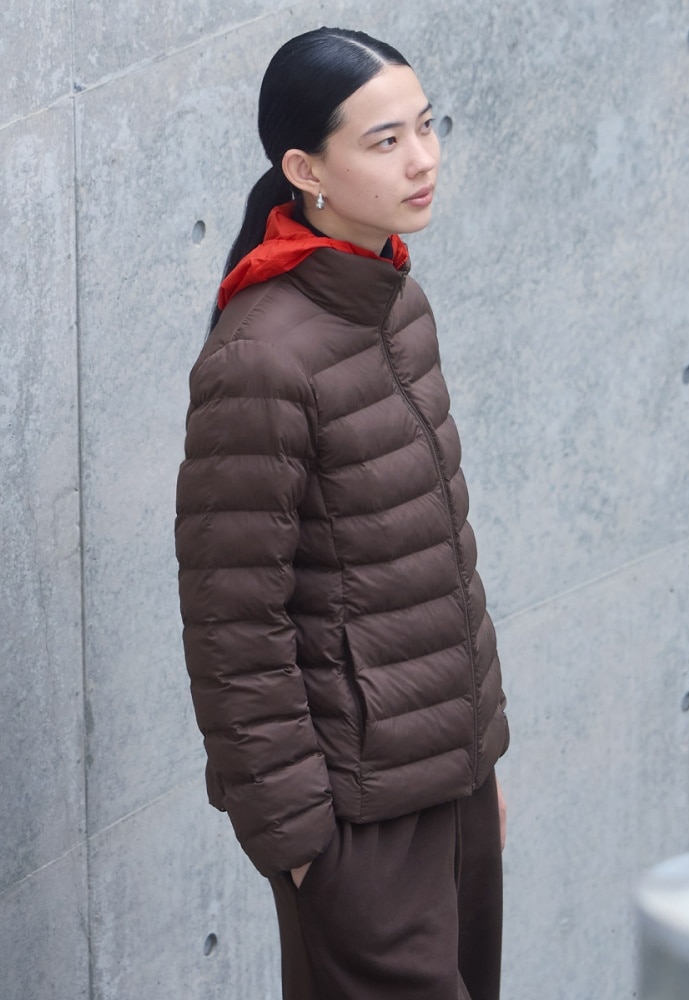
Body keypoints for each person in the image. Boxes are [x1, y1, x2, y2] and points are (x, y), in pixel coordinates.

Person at [175, 26, 509, 1000]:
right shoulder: (261, 358)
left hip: (450, 784)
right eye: (385, 140)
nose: (422, 159)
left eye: (427, 126)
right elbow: (234, 627)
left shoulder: (396, 300)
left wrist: (477, 762)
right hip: (357, 828)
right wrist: (304, 848)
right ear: (304, 170)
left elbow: (435, 564)